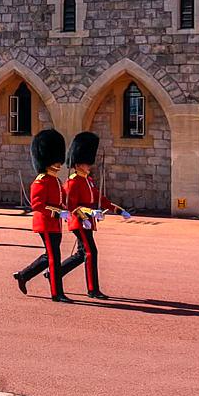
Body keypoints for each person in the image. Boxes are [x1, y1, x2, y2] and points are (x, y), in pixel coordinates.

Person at [56, 132, 131, 300]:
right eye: (85, 163)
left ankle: (55, 273)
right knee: (91, 253)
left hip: (88, 221)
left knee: (81, 254)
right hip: (79, 222)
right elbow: (71, 206)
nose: (89, 165)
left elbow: (100, 200)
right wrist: (86, 216)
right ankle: (92, 289)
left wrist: (119, 210)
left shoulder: (88, 180)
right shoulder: (72, 182)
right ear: (78, 164)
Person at [13, 129, 73, 303]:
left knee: (50, 256)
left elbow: (60, 200)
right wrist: (57, 212)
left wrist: (66, 210)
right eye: (55, 160)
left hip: (55, 223)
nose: (58, 164)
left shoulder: (55, 180)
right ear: (46, 160)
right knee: (55, 257)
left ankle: (23, 275)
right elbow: (37, 205)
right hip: (46, 223)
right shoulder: (40, 181)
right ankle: (57, 293)